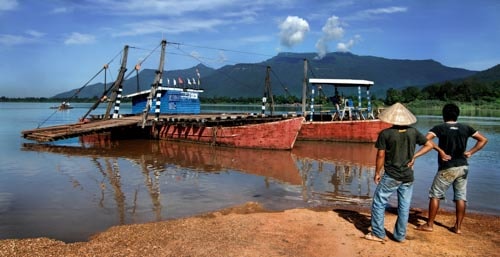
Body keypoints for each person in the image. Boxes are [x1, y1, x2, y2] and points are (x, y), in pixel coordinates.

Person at [364, 102, 446, 243]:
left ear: (391, 119)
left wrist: (377, 172)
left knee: (379, 202)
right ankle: (400, 235)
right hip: (408, 176)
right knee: (404, 205)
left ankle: (378, 233)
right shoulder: (413, 132)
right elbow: (429, 145)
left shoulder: (386, 134)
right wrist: (414, 156)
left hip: (391, 175)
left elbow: (381, 155)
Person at [416, 103, 488, 234]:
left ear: (443, 115)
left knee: (435, 195)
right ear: (457, 115)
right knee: (461, 196)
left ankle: (429, 224)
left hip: (447, 167)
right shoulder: (465, 128)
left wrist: (439, 150)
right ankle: (458, 227)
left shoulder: (440, 128)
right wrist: (471, 152)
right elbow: (483, 139)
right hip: (463, 166)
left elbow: (424, 140)